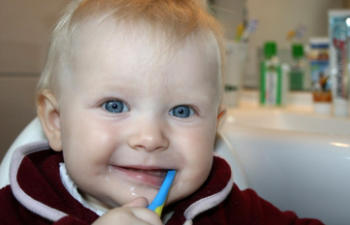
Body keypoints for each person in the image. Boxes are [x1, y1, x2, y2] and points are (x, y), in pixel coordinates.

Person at [0, 0, 324, 224]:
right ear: (56, 122)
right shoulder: (14, 211)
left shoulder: (227, 209)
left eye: (182, 111)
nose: (150, 138)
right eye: (115, 106)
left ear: (214, 127)